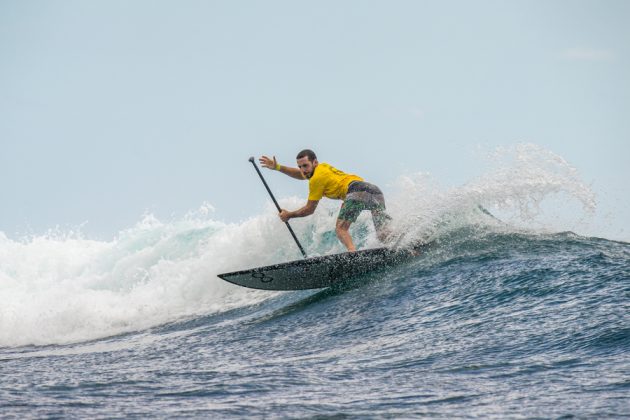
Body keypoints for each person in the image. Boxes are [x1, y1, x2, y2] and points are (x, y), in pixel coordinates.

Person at [259, 149, 391, 252]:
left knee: (341, 229)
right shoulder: (322, 167)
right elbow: (302, 174)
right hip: (374, 190)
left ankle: (353, 254)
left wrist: (289, 215)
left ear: (314, 162)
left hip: (356, 191)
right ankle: (398, 246)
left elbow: (309, 209)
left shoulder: (316, 179)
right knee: (383, 234)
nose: (302, 170)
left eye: (305, 165)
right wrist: (278, 167)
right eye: (300, 166)